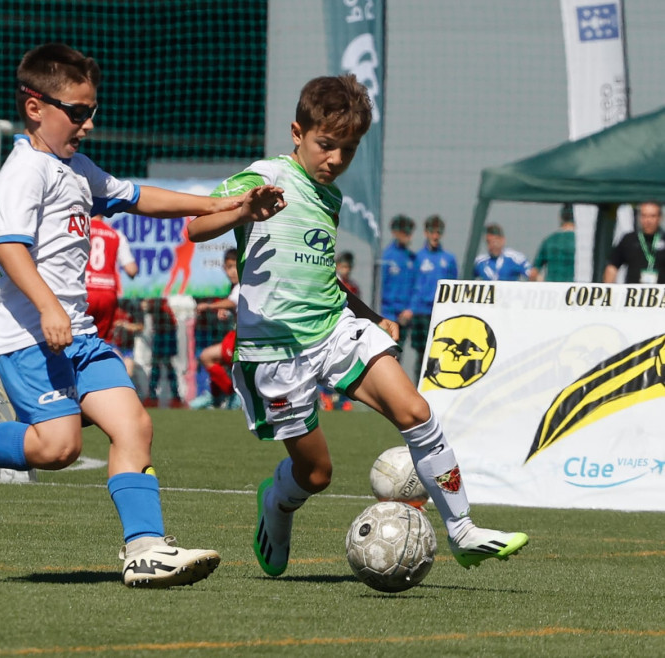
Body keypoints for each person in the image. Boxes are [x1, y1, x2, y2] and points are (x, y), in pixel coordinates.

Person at [0, 43, 280, 588]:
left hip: (80, 337)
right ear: (35, 106)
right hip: (27, 338)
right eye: (78, 112)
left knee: (134, 425)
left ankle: (145, 551)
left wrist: (226, 207)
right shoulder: (24, 172)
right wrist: (47, 308)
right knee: (57, 449)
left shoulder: (77, 169)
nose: (88, 123)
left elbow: (140, 197)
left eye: (93, 110)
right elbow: (10, 249)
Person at [186, 74, 527, 579]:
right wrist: (243, 207)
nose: (336, 160)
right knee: (317, 474)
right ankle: (277, 504)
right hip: (275, 352)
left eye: (348, 150)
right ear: (297, 132)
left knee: (414, 409)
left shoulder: (331, 198)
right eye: (327, 145)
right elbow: (195, 227)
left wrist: (370, 317)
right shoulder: (262, 175)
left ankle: (462, 530)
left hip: (332, 329)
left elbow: (322, 278)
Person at [399, 215, 458, 380]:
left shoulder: (449, 259)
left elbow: (453, 286)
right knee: (422, 353)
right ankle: (420, 389)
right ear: (426, 233)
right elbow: (411, 285)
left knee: (441, 352)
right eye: (432, 232)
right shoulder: (417, 258)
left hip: (440, 312)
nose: (435, 236)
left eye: (438, 232)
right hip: (420, 313)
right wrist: (409, 308)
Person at [189, 248, 241, 410]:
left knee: (206, 357)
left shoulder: (243, 284)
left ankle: (229, 394)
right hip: (238, 335)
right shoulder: (235, 287)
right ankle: (221, 396)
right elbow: (234, 304)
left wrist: (209, 306)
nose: (230, 272)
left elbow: (233, 302)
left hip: (244, 338)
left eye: (234, 266)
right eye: (227, 267)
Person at [86, 214, 138, 343]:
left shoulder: (81, 228)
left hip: (84, 290)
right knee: (99, 343)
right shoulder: (115, 234)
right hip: (107, 293)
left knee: (75, 340)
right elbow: (131, 270)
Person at [603, 202, 665, 284]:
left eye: (652, 216)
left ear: (659, 217)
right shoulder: (629, 239)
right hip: (633, 294)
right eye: (644, 216)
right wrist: (609, 291)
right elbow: (612, 267)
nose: (648, 220)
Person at [380, 214, 416, 350]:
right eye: (405, 232)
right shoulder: (386, 256)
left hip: (405, 316)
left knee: (400, 353)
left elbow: (415, 287)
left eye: (410, 232)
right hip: (388, 315)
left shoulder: (412, 258)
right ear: (395, 232)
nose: (408, 236)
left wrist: (409, 309)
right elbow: (380, 288)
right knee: (388, 353)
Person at [141, 297, 184, 409]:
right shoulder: (155, 298)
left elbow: (152, 307)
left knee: (164, 364)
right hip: (161, 332)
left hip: (167, 334)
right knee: (159, 364)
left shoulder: (160, 300)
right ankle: (154, 395)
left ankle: (173, 396)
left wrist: (144, 305)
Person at [529, 204, 575, 282]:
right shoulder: (582, 243)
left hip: (553, 289)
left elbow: (533, 273)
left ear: (560, 218)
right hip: (575, 289)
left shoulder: (549, 240)